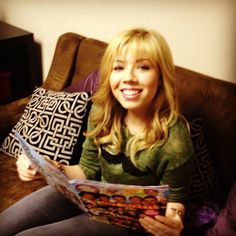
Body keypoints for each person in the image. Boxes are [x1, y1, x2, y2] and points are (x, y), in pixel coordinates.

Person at [0, 27, 195, 236]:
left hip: (126, 223)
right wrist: (45, 165)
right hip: (86, 195)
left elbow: (176, 199)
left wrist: (174, 220)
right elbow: (87, 169)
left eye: (143, 67)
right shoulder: (101, 110)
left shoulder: (175, 137)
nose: (128, 78)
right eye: (118, 67)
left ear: (161, 76)